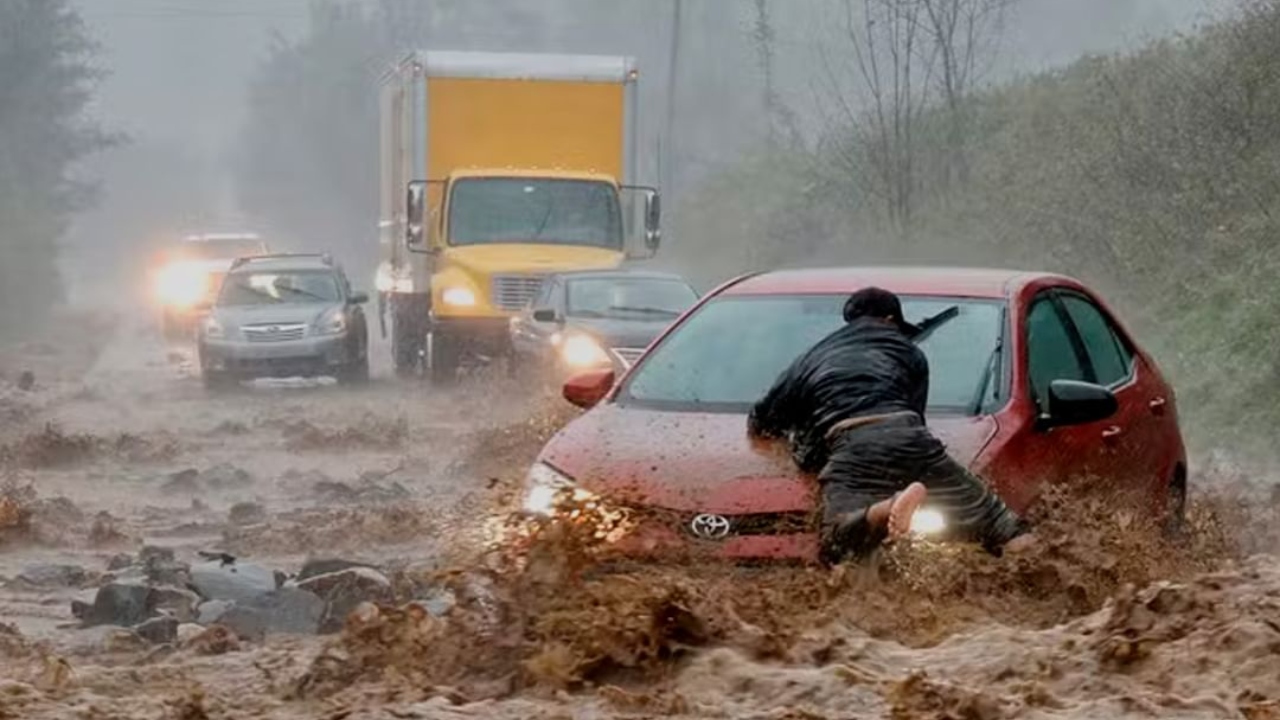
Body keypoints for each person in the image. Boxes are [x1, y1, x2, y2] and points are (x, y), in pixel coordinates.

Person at [747, 286, 1034, 565]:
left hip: (852, 443)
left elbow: (762, 421)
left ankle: (885, 509)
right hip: (909, 435)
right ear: (890, 320)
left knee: (835, 543)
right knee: (1001, 523)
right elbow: (915, 417)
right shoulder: (910, 353)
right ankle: (1039, 582)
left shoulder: (810, 359)